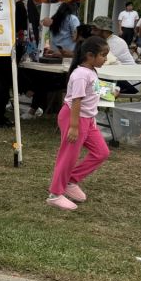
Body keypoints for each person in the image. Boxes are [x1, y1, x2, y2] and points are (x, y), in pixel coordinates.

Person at [46, 36, 110, 211]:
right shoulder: (81, 74)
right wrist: (74, 127)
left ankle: (70, 180)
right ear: (90, 55)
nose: (105, 59)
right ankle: (55, 194)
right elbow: (76, 101)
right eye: (103, 55)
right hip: (74, 118)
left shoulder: (91, 71)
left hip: (87, 120)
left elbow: (94, 90)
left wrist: (112, 93)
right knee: (68, 156)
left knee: (101, 152)